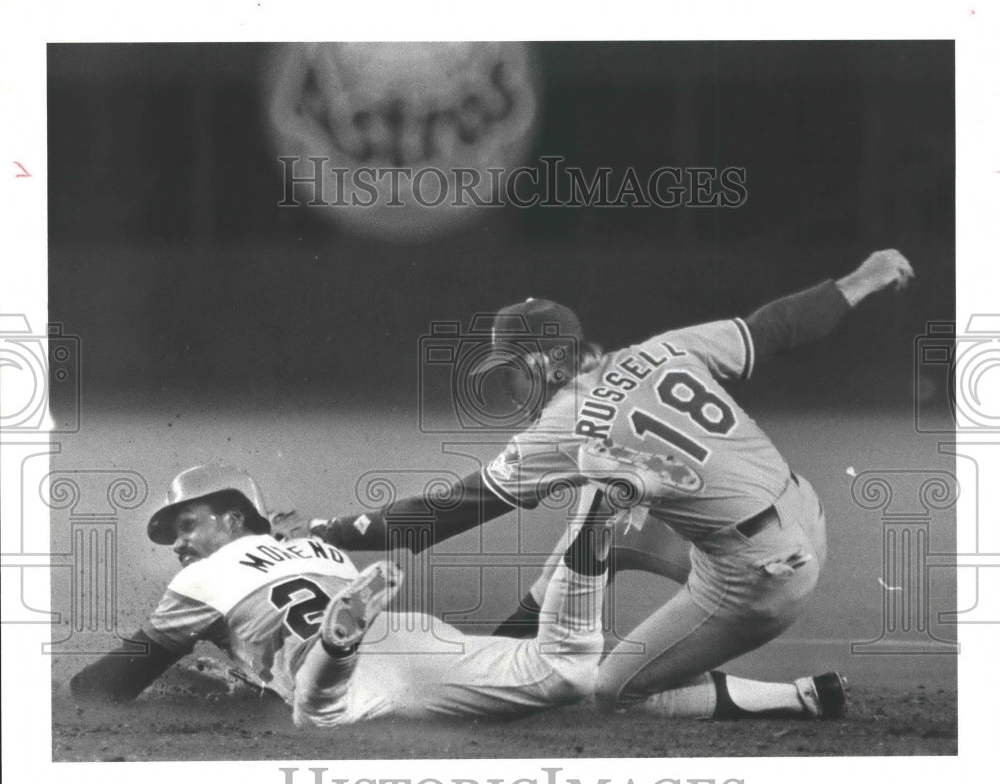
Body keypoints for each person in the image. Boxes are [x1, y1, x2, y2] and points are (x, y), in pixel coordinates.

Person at [311, 248, 915, 720]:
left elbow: (443, 514)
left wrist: (326, 530)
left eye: (513, 371)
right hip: (803, 514)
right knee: (597, 510)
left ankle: (798, 697)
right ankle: (501, 660)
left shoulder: (562, 426)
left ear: (547, 363)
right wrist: (861, 280)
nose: (509, 387)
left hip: (758, 576)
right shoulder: (663, 349)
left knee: (613, 690)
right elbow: (775, 327)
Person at [69, 464, 616, 726]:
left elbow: (107, 686)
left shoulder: (197, 580)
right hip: (413, 638)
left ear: (234, 517)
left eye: (187, 525)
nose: (178, 544)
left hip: (343, 676)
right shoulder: (315, 547)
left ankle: (337, 646)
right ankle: (595, 517)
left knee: (320, 714)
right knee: (564, 674)